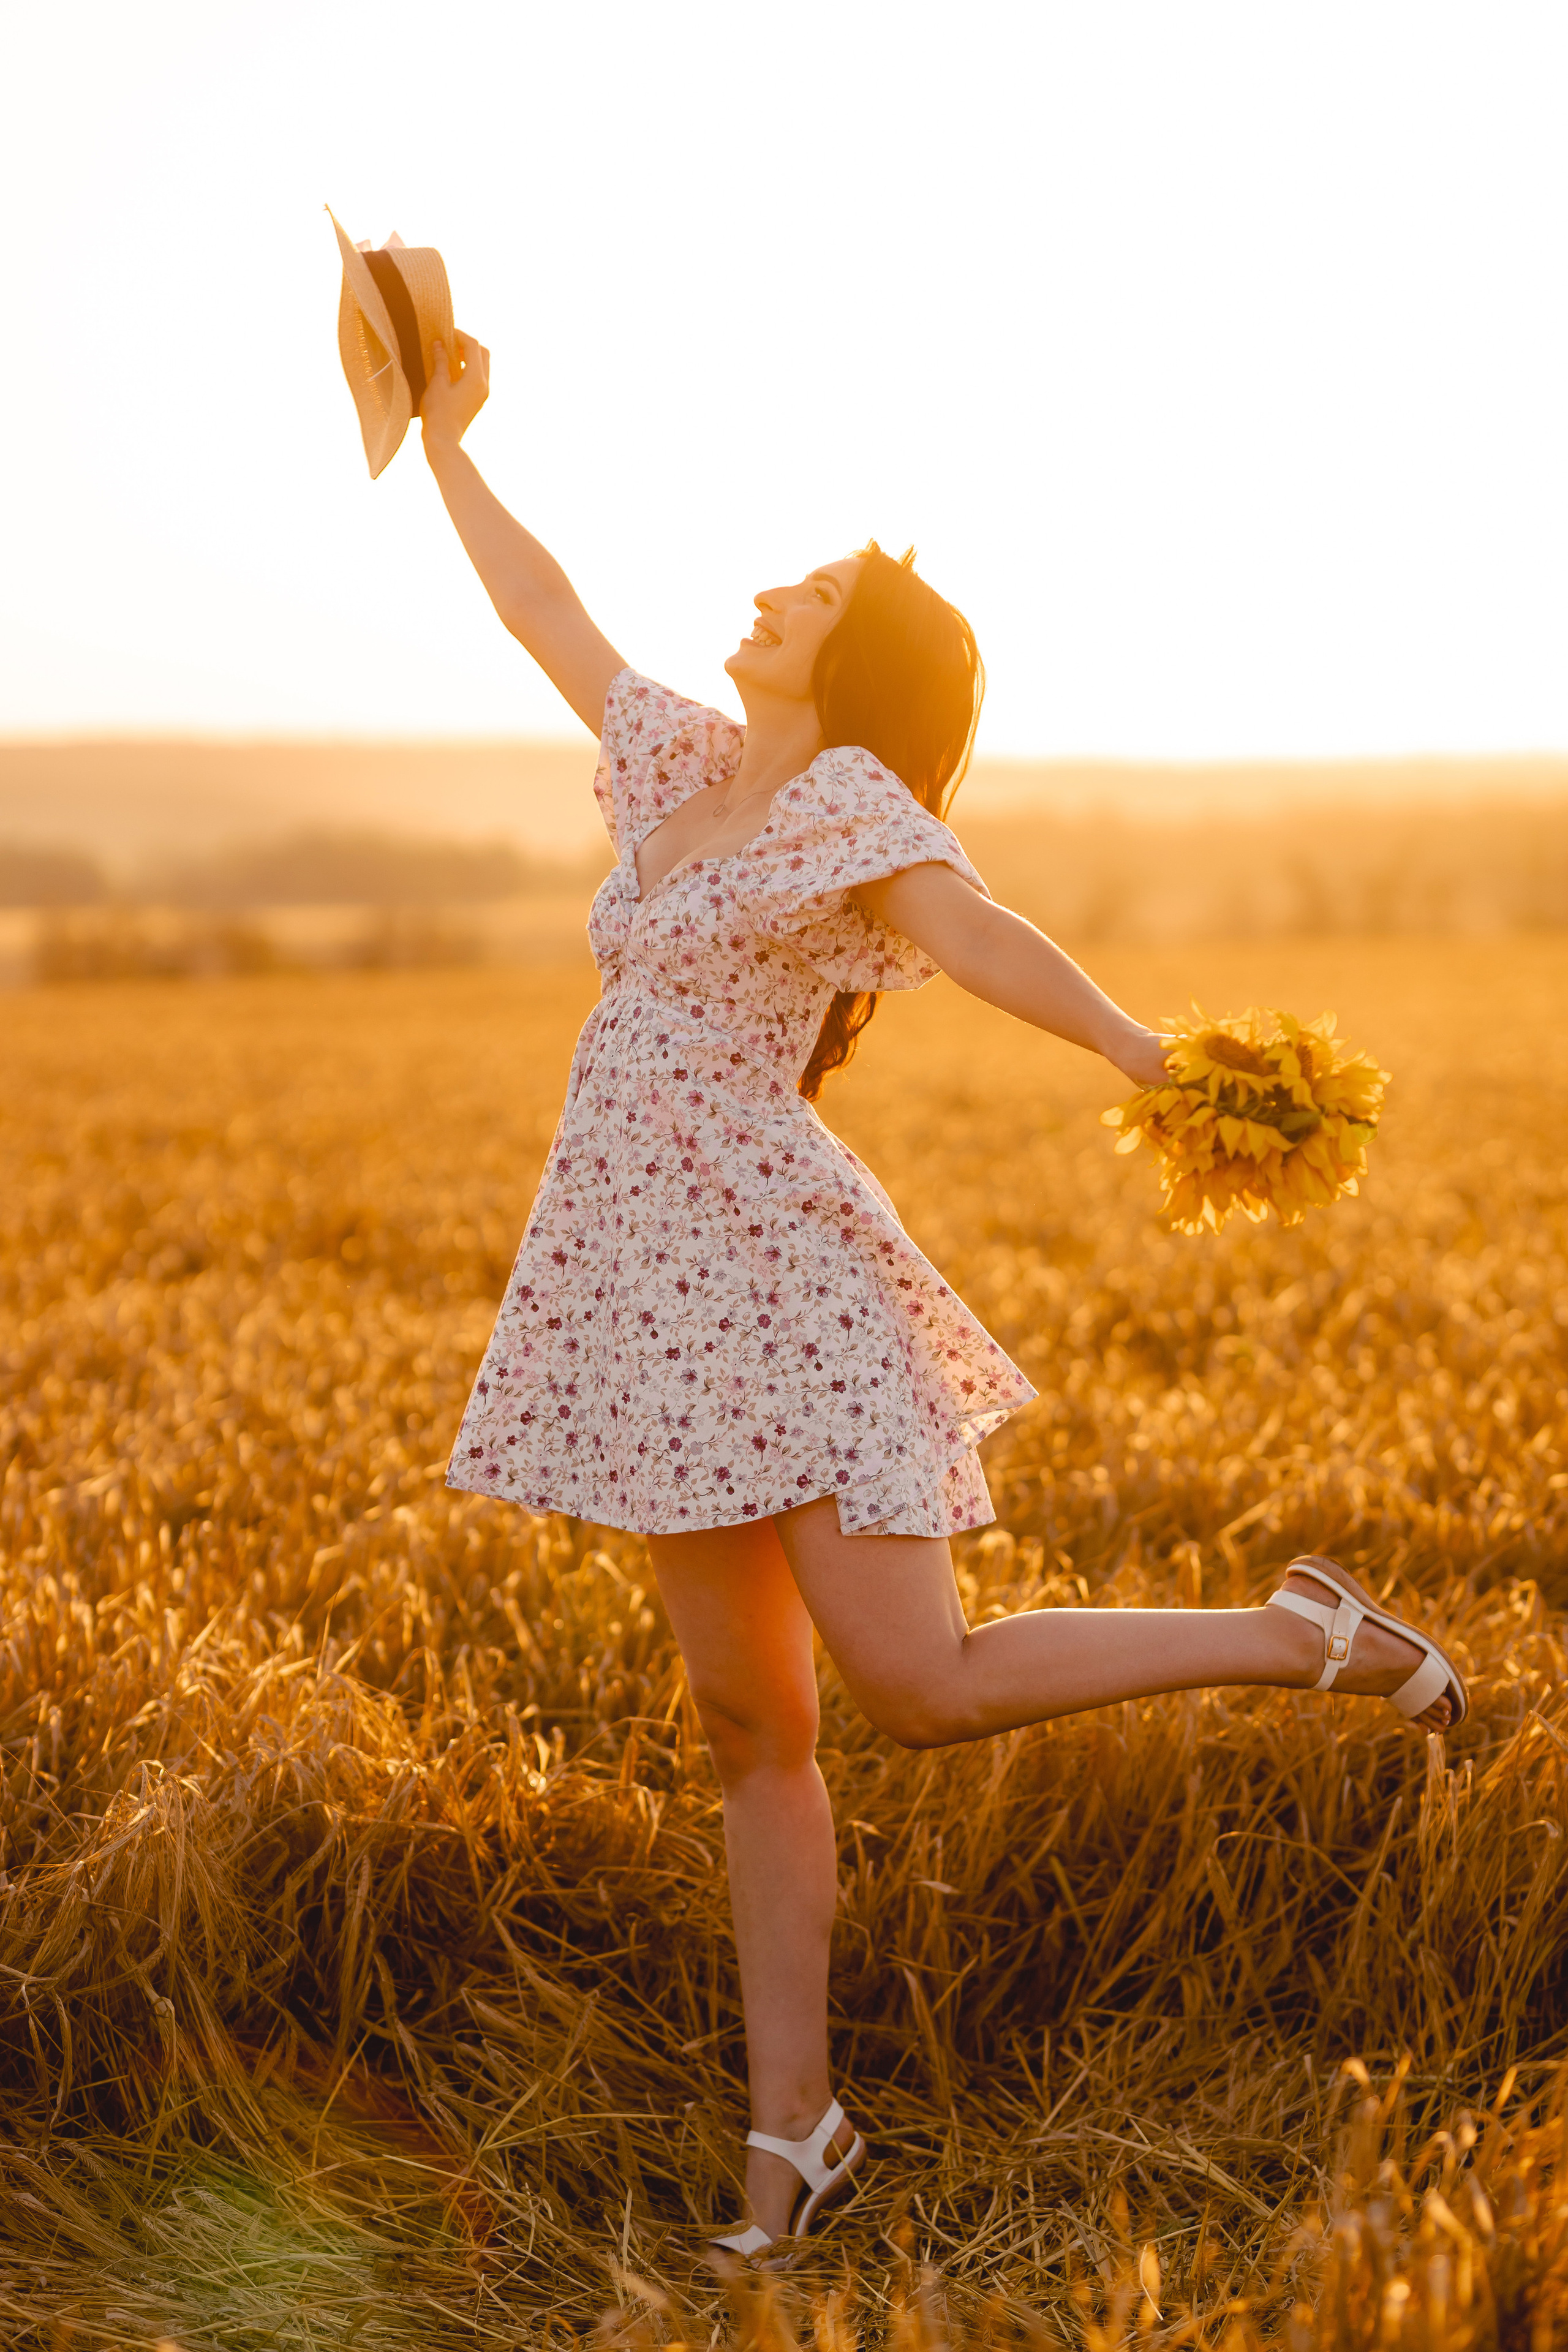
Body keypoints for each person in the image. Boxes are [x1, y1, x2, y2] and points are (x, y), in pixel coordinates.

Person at [413, 330, 1466, 2260]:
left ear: (861, 664)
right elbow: (541, 604)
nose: (762, 598)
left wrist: (1160, 1059)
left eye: (804, 598)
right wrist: (449, 442)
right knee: (755, 1730)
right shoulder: (678, 763)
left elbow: (984, 943)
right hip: (643, 1293)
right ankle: (793, 2134)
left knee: (915, 1687)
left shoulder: (863, 820)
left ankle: (1297, 1633)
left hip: (779, 1280)